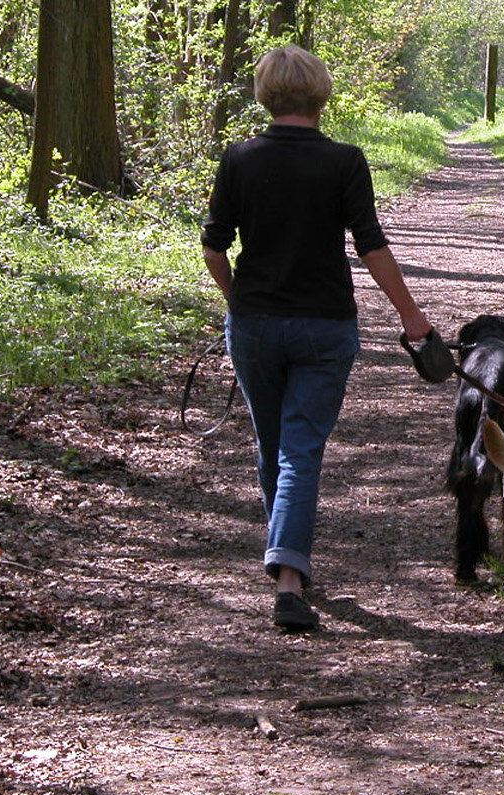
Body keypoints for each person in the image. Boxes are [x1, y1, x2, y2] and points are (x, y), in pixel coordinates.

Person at [202, 45, 433, 630]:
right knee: (300, 449)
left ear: (265, 93)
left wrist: (239, 303)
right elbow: (371, 245)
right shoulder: (344, 161)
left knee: (273, 442)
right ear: (321, 94)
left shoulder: (239, 158)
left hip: (254, 325)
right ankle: (288, 574)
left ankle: (287, 558)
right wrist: (412, 317)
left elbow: (213, 246)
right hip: (325, 326)